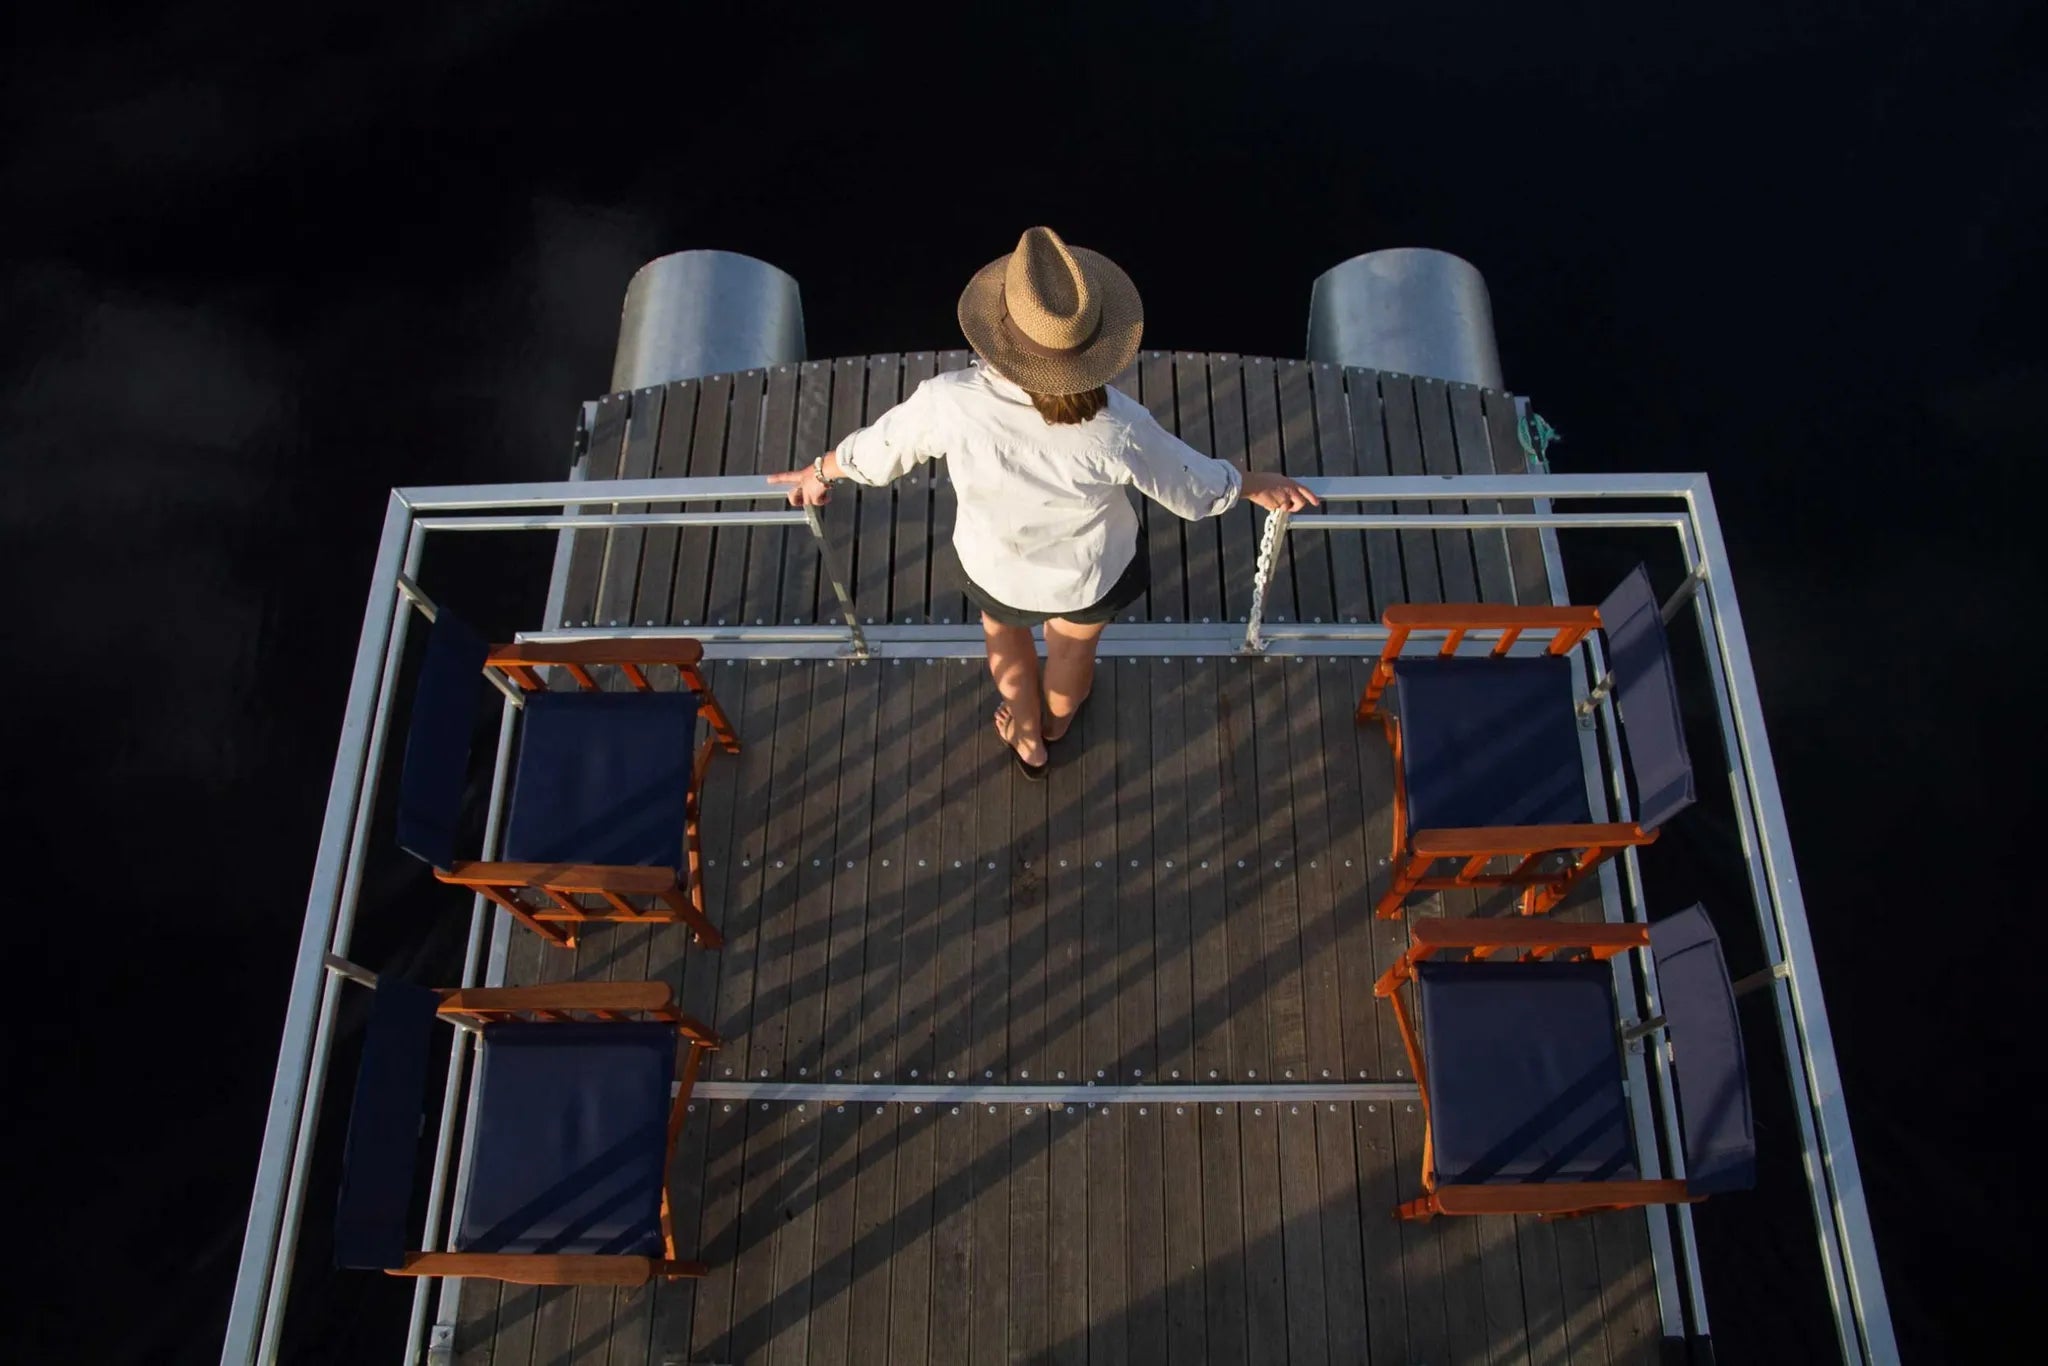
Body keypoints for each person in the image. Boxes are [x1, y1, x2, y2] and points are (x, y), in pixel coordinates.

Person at [769, 227, 1317, 779]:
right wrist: (1251, 480)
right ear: (1094, 348)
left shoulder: (951, 401)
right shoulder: (1119, 425)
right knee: (1073, 656)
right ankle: (1057, 723)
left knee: (1004, 640)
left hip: (995, 566)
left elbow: (877, 452)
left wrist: (819, 471)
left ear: (1000, 335)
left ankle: (1028, 738)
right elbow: (1196, 489)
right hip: (1091, 575)